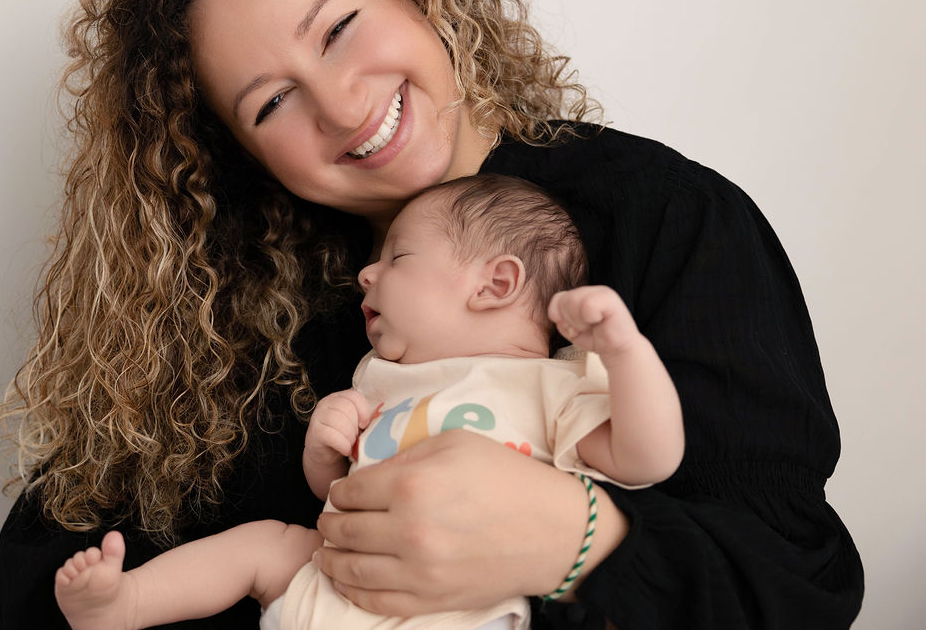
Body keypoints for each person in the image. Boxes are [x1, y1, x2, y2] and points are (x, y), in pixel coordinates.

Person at [0, 0, 863, 629]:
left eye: (337, 29)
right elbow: (39, 583)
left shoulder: (663, 218)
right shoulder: (237, 312)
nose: (340, 105)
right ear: (242, 160)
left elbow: (800, 584)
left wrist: (574, 539)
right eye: (270, 106)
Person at [52, 174, 686, 630]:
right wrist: (324, 450)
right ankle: (126, 604)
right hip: (335, 584)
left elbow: (645, 459)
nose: (367, 273)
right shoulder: (380, 377)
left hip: (460, 609)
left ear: (497, 284)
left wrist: (626, 352)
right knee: (268, 544)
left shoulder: (552, 386)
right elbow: (337, 494)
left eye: (398, 257)